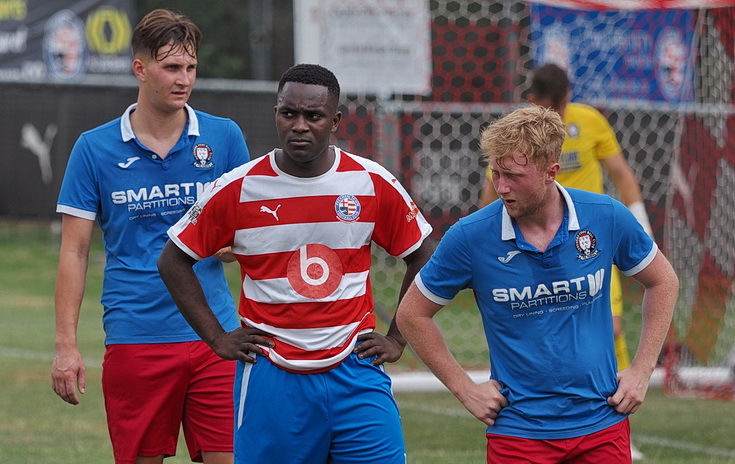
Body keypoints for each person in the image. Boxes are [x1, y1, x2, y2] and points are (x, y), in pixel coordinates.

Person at [157, 63, 433, 464]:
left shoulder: (370, 182)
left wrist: (397, 338)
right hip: (272, 376)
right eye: (289, 113)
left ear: (335, 121)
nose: (300, 126)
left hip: (355, 370)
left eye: (314, 116)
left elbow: (422, 253)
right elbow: (173, 260)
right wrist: (218, 338)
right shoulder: (238, 188)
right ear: (276, 114)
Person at [396, 105, 678, 463]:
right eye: (495, 173)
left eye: (512, 176)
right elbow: (412, 315)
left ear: (551, 172)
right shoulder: (470, 237)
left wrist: (641, 371)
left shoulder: (605, 216)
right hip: (518, 433)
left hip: (602, 425)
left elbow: (664, 281)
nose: (500, 186)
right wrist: (465, 389)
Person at [51, 9, 250, 464]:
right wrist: (66, 346)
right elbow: (75, 251)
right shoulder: (93, 148)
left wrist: (231, 247)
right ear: (140, 68)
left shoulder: (224, 137)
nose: (184, 79)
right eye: (172, 67)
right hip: (136, 339)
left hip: (216, 336)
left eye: (191, 67)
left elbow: (251, 232)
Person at [479, 63, 653, 459]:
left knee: (611, 330)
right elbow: (492, 190)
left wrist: (641, 227)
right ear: (533, 101)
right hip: (528, 247)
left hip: (588, 248)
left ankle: (616, 420)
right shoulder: (517, 140)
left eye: (564, 103)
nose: (560, 111)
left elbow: (622, 174)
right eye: (551, 105)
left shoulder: (590, 122)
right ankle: (541, 420)